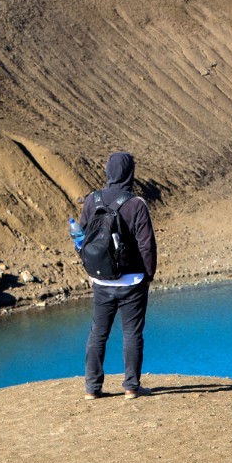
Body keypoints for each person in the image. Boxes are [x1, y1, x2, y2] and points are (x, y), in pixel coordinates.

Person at [76, 151, 157, 400]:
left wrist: (90, 269)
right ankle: (131, 386)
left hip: (101, 280)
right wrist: (148, 274)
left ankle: (92, 388)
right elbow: (147, 246)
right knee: (132, 333)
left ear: (108, 171)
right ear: (129, 173)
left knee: (98, 332)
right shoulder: (136, 204)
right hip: (132, 281)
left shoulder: (92, 200)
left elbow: (80, 239)